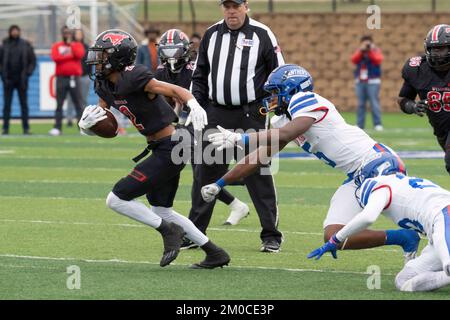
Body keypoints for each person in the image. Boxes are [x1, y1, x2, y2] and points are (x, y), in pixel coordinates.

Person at [202, 64, 420, 260]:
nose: (271, 98)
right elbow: (259, 156)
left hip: (379, 164)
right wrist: (220, 183)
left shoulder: (306, 100)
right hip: (357, 176)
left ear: (292, 89)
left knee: (418, 215)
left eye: (276, 92)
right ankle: (404, 238)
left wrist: (241, 137)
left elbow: (288, 133)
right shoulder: (284, 118)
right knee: (334, 235)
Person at [78, 29, 230, 269]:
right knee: (162, 209)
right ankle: (215, 253)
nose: (97, 59)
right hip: (164, 146)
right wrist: (87, 126)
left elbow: (174, 90)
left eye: (103, 54)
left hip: (173, 145)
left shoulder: (134, 76)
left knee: (116, 199)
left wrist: (193, 103)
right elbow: (107, 122)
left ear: (118, 56)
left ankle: (168, 232)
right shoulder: (104, 84)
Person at [190, 0, 285, 253]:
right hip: (217, 112)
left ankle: (271, 235)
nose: (231, 11)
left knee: (257, 172)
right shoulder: (211, 34)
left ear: (246, 6)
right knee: (206, 171)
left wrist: (272, 109)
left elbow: (278, 75)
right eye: (227, 6)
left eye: (236, 6)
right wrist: (197, 106)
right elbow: (199, 75)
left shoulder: (262, 34)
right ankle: (194, 232)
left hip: (250, 113)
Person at [308, 152, 450, 292]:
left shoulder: (377, 183)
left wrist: (335, 239)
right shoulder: (402, 183)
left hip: (444, 217)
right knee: (404, 281)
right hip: (439, 225)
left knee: (448, 265)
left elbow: (367, 217)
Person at [155, 28, 249, 235]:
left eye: (175, 50)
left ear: (185, 51)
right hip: (189, 119)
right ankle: (236, 203)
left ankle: (238, 178)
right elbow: (171, 101)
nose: (171, 56)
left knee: (201, 172)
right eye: (167, 50)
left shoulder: (192, 69)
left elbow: (198, 98)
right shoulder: (162, 72)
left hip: (207, 116)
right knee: (199, 173)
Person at [398, 24, 450, 175]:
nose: (436, 53)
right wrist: (413, 107)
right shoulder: (417, 69)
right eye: (433, 49)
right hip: (441, 130)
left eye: (441, 49)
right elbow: (403, 99)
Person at [0, 25, 36, 135]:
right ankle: (5, 128)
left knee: (24, 105)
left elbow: (32, 61)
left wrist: (27, 74)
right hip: (8, 79)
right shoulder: (4, 45)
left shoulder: (25, 45)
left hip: (22, 79)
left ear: (19, 32)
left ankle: (26, 128)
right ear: (10, 32)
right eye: (13, 31)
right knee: (7, 105)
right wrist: (3, 75)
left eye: (17, 31)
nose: (15, 32)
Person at [49, 26, 85, 136]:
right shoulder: (57, 46)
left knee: (78, 103)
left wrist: (70, 47)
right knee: (59, 104)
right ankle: (57, 127)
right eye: (65, 33)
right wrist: (70, 56)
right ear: (62, 34)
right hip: (61, 78)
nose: (67, 35)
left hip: (74, 78)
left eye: (69, 33)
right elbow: (55, 58)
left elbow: (79, 55)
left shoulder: (77, 45)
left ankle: (82, 128)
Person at [351, 35, 384, 131]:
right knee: (361, 104)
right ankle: (360, 125)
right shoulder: (359, 51)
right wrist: (361, 51)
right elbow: (354, 60)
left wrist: (370, 51)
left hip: (373, 81)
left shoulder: (375, 51)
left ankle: (377, 124)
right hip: (360, 81)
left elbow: (378, 60)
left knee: (374, 103)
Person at [66, 29, 90, 128]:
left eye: (81, 33)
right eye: (77, 34)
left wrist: (88, 73)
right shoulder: (70, 46)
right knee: (70, 98)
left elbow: (89, 62)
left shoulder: (86, 47)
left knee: (83, 99)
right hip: (73, 76)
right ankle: (69, 119)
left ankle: (82, 119)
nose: (79, 35)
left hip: (84, 76)